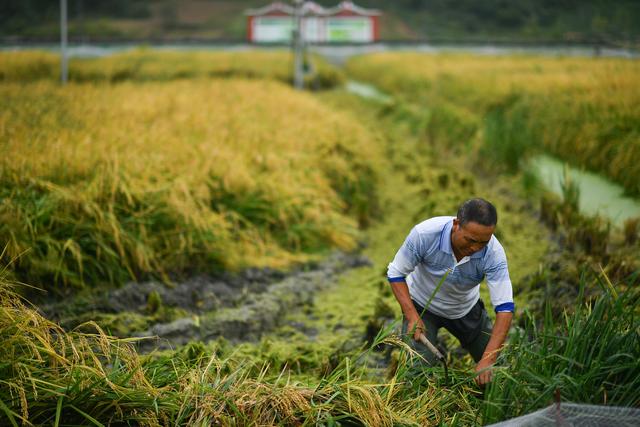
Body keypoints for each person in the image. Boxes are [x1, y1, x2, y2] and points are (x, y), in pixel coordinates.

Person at [386, 198, 514, 385]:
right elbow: (396, 273)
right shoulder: (424, 234)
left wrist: (488, 360)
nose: (475, 248)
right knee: (418, 377)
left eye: (482, 243)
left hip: (465, 310)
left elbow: (505, 308)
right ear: (456, 225)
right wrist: (412, 315)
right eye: (470, 240)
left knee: (499, 373)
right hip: (422, 307)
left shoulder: (494, 254)